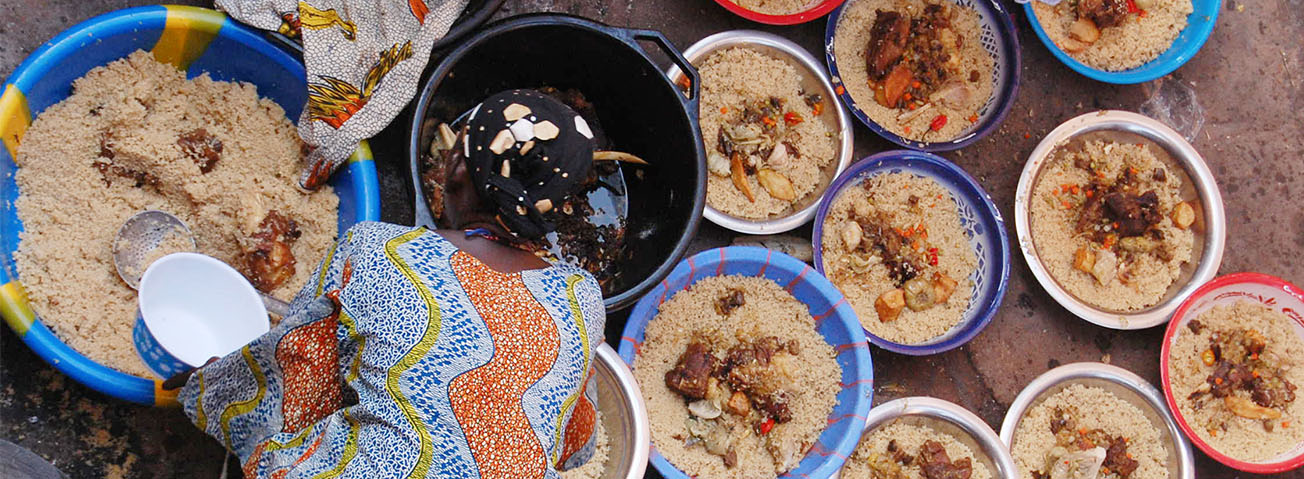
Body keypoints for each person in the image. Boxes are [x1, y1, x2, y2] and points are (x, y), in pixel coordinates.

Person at [170, 90, 607, 478]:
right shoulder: (582, 298)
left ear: (454, 169)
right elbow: (572, 436)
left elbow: (295, 373)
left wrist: (216, 385)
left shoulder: (379, 251)